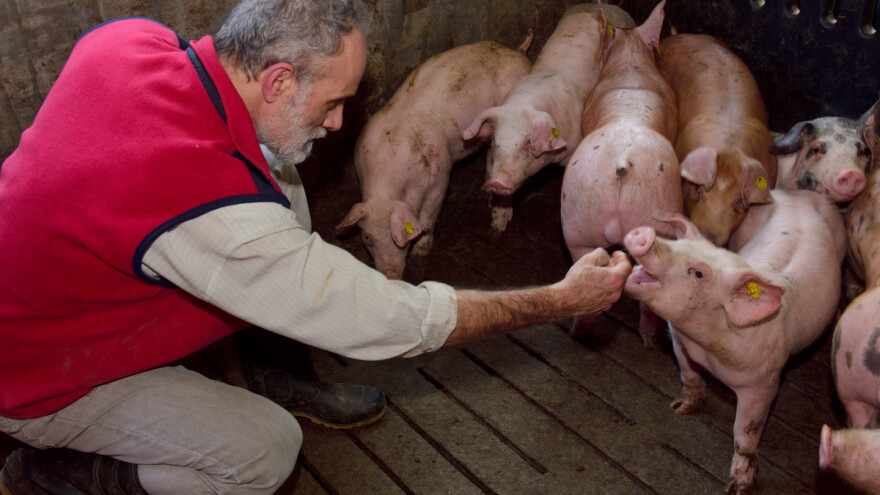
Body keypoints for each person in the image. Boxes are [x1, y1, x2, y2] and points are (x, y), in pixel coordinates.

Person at [0, 0, 633, 493]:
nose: (337, 123)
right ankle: (62, 475)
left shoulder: (129, 41)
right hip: (41, 377)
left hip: (58, 288)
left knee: (282, 168)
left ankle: (279, 371)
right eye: (333, 103)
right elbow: (394, 320)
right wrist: (556, 299)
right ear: (277, 81)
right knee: (264, 453)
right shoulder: (205, 210)